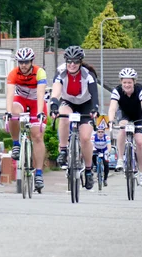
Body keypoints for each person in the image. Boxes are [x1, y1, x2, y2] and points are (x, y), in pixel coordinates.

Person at [49, 46, 99, 190]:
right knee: (64, 117)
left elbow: (94, 95)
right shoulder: (60, 72)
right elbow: (56, 92)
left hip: (86, 104)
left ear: (80, 62)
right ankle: (63, 150)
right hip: (68, 101)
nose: (72, 64)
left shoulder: (88, 74)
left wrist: (95, 109)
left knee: (84, 138)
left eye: (75, 62)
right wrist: (53, 105)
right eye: (69, 61)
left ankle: (89, 171)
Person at [5, 47, 47, 192]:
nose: (23, 65)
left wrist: (40, 112)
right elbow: (10, 95)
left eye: (26, 62)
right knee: (13, 113)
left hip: (36, 103)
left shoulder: (39, 72)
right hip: (21, 100)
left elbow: (41, 94)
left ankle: (39, 173)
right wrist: (8, 112)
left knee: (37, 136)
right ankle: (16, 143)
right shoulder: (13, 74)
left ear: (31, 62)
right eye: (21, 62)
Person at [108, 68, 142, 187]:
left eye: (129, 82)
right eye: (124, 82)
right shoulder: (117, 91)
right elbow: (112, 108)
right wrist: (110, 120)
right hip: (124, 114)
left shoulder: (141, 90)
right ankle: (120, 159)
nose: (127, 85)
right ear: (121, 82)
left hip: (138, 115)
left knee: (140, 142)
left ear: (134, 82)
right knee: (122, 127)